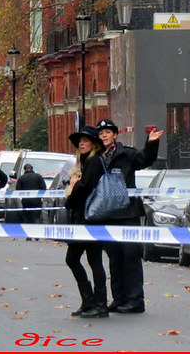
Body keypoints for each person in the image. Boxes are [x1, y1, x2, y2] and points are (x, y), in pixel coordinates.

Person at [95, 118, 163, 314]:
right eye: (100, 133)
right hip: (106, 214)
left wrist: (151, 143)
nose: (104, 136)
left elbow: (145, 159)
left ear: (115, 135)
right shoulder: (96, 157)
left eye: (107, 132)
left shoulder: (126, 154)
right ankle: (119, 298)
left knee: (130, 256)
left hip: (127, 213)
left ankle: (135, 300)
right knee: (114, 257)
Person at [63, 126, 110, 318]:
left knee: (79, 259)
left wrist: (70, 199)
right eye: (79, 141)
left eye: (86, 140)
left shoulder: (94, 162)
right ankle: (91, 302)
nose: (81, 143)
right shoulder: (87, 162)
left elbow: (85, 187)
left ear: (94, 144)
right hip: (87, 218)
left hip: (89, 219)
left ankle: (97, 303)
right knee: (91, 260)